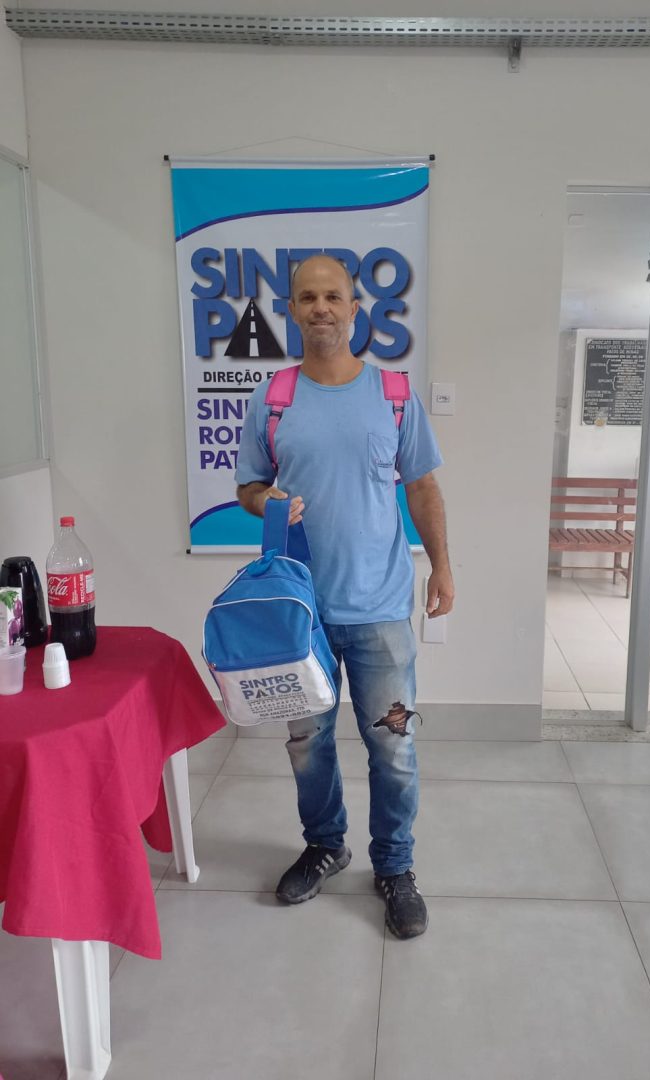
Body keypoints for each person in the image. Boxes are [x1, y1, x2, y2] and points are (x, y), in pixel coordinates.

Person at [235, 254, 454, 939]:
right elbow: (248, 486)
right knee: (308, 744)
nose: (321, 308)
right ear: (291, 311)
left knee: (393, 748)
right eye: (307, 298)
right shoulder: (273, 398)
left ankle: (396, 866)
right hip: (299, 616)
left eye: (333, 296)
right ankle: (326, 845)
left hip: (381, 610)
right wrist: (264, 500)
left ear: (355, 308)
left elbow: (422, 486)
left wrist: (442, 567)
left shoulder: (393, 393)